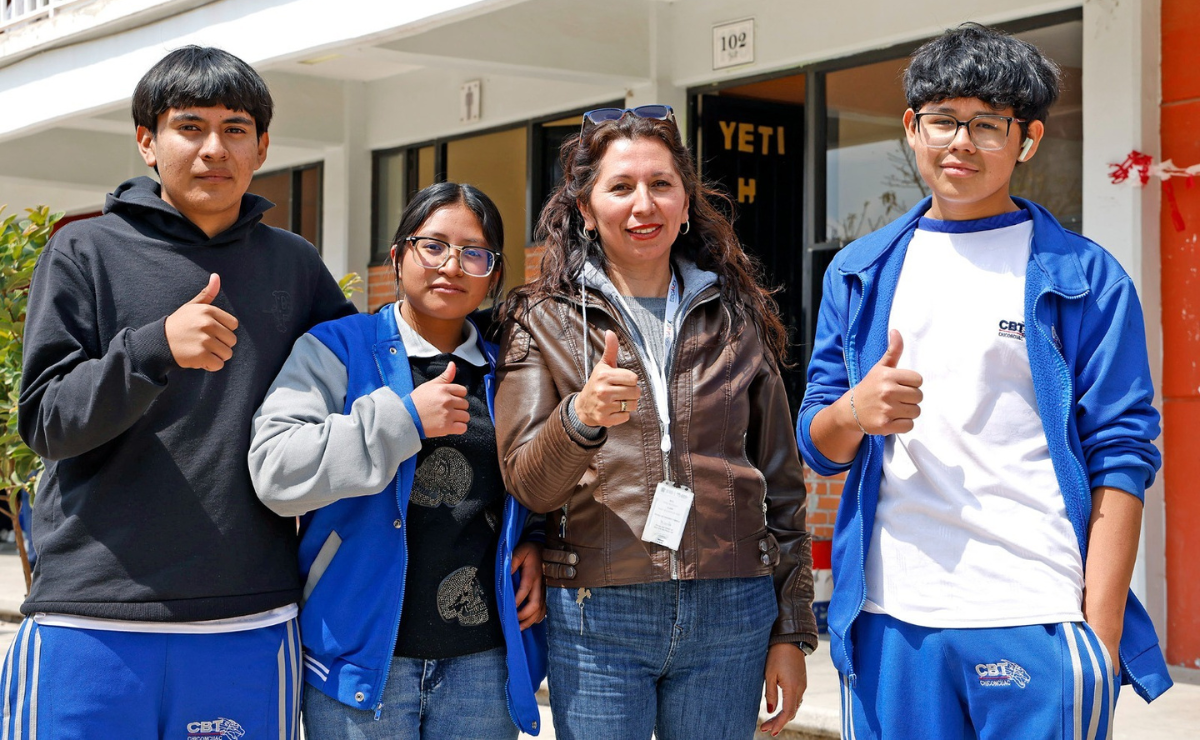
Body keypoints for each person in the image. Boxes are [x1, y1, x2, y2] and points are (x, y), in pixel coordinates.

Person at [797, 23, 1171, 740]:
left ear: (1026, 139)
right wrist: (854, 409)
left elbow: (1122, 459)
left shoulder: (1087, 280)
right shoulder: (861, 272)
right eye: (943, 120)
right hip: (889, 618)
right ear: (912, 129)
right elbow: (818, 445)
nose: (960, 142)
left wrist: (1101, 634)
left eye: (986, 125)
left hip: (1035, 611)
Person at [12, 46, 354, 736]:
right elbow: (46, 420)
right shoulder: (84, 253)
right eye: (189, 127)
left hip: (249, 617)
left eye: (234, 129)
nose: (212, 149)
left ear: (261, 146)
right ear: (147, 141)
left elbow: (356, 402)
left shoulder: (294, 265)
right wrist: (152, 348)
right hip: (91, 616)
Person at [494, 105, 816, 740]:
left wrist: (791, 628)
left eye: (661, 184)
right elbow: (528, 483)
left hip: (734, 607)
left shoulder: (737, 314)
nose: (644, 204)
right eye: (621, 187)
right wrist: (580, 417)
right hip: (598, 611)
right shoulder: (541, 317)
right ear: (586, 208)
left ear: (686, 202)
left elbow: (782, 485)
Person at [249, 182, 548, 739]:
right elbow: (275, 469)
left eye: (474, 252)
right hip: (362, 660)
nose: (451, 265)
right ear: (397, 257)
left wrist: (537, 538)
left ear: (494, 274)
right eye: (432, 245)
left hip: (482, 662)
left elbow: (541, 468)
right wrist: (403, 422)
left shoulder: (512, 366)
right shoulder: (338, 347)